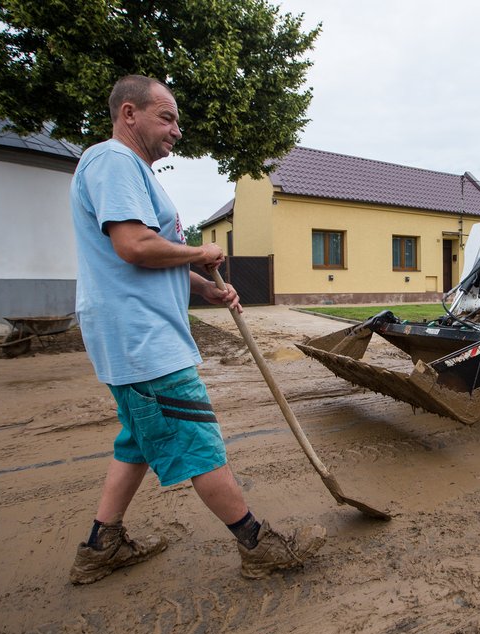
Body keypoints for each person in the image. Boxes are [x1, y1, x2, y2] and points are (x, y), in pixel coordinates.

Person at [68, 74, 325, 584]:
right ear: (129, 114)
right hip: (144, 338)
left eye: (177, 120)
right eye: (166, 117)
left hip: (137, 331)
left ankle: (102, 546)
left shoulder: (133, 171)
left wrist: (202, 287)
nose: (176, 130)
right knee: (198, 440)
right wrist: (202, 252)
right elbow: (134, 246)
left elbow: (146, 253)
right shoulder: (113, 161)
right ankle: (258, 545)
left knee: (138, 441)